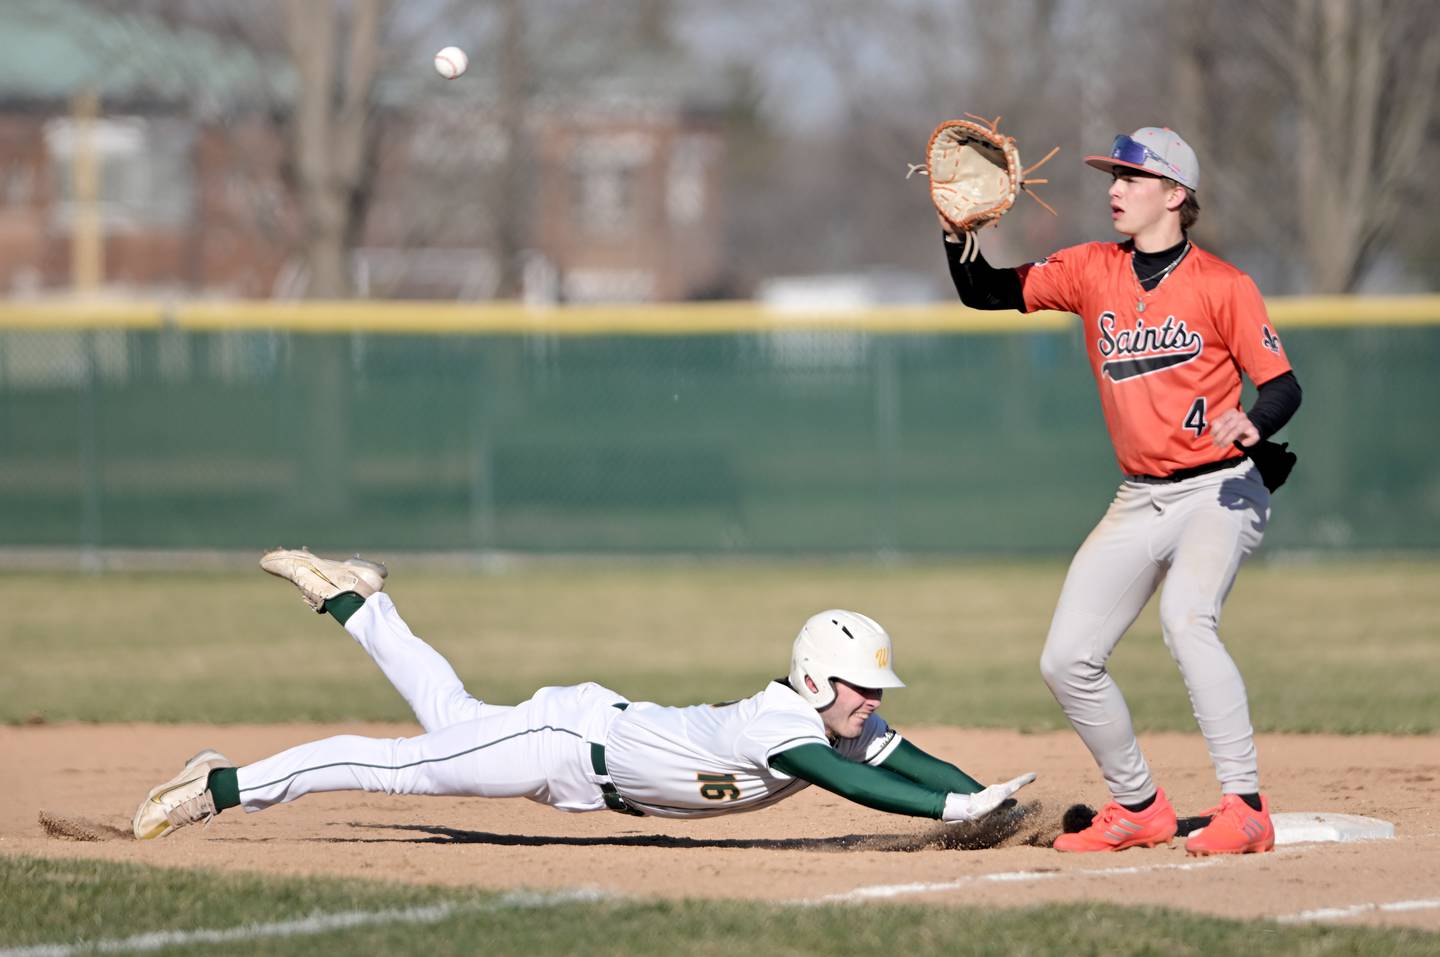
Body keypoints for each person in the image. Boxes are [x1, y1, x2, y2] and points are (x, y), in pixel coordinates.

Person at [939, 127, 1301, 855]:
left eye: (1132, 178)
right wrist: (956, 236)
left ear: (1175, 194)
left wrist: (1252, 423)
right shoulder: (1090, 269)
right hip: (1140, 496)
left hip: (1220, 491)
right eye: (1113, 177)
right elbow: (986, 291)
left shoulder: (1223, 284)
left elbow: (1284, 387)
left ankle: (1246, 804)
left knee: (1187, 619)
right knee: (1066, 658)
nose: (1114, 189)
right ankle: (1139, 805)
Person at [133, 548, 1036, 840]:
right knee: (402, 768)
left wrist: (978, 795)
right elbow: (860, 787)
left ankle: (358, 602)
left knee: (449, 720)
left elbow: (904, 759)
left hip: (581, 762)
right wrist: (951, 807)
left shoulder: (842, 722)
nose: (872, 700)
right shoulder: (787, 724)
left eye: (876, 689)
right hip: (565, 741)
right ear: (815, 676)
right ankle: (220, 788)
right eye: (861, 685)